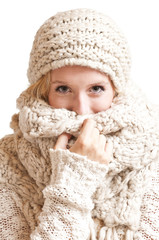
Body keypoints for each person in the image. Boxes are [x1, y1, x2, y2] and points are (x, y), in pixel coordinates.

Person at [0, 8, 159, 240]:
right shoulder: (6, 163)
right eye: (63, 89)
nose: (81, 110)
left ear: (116, 90)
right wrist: (72, 184)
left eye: (96, 89)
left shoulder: (152, 158)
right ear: (43, 91)